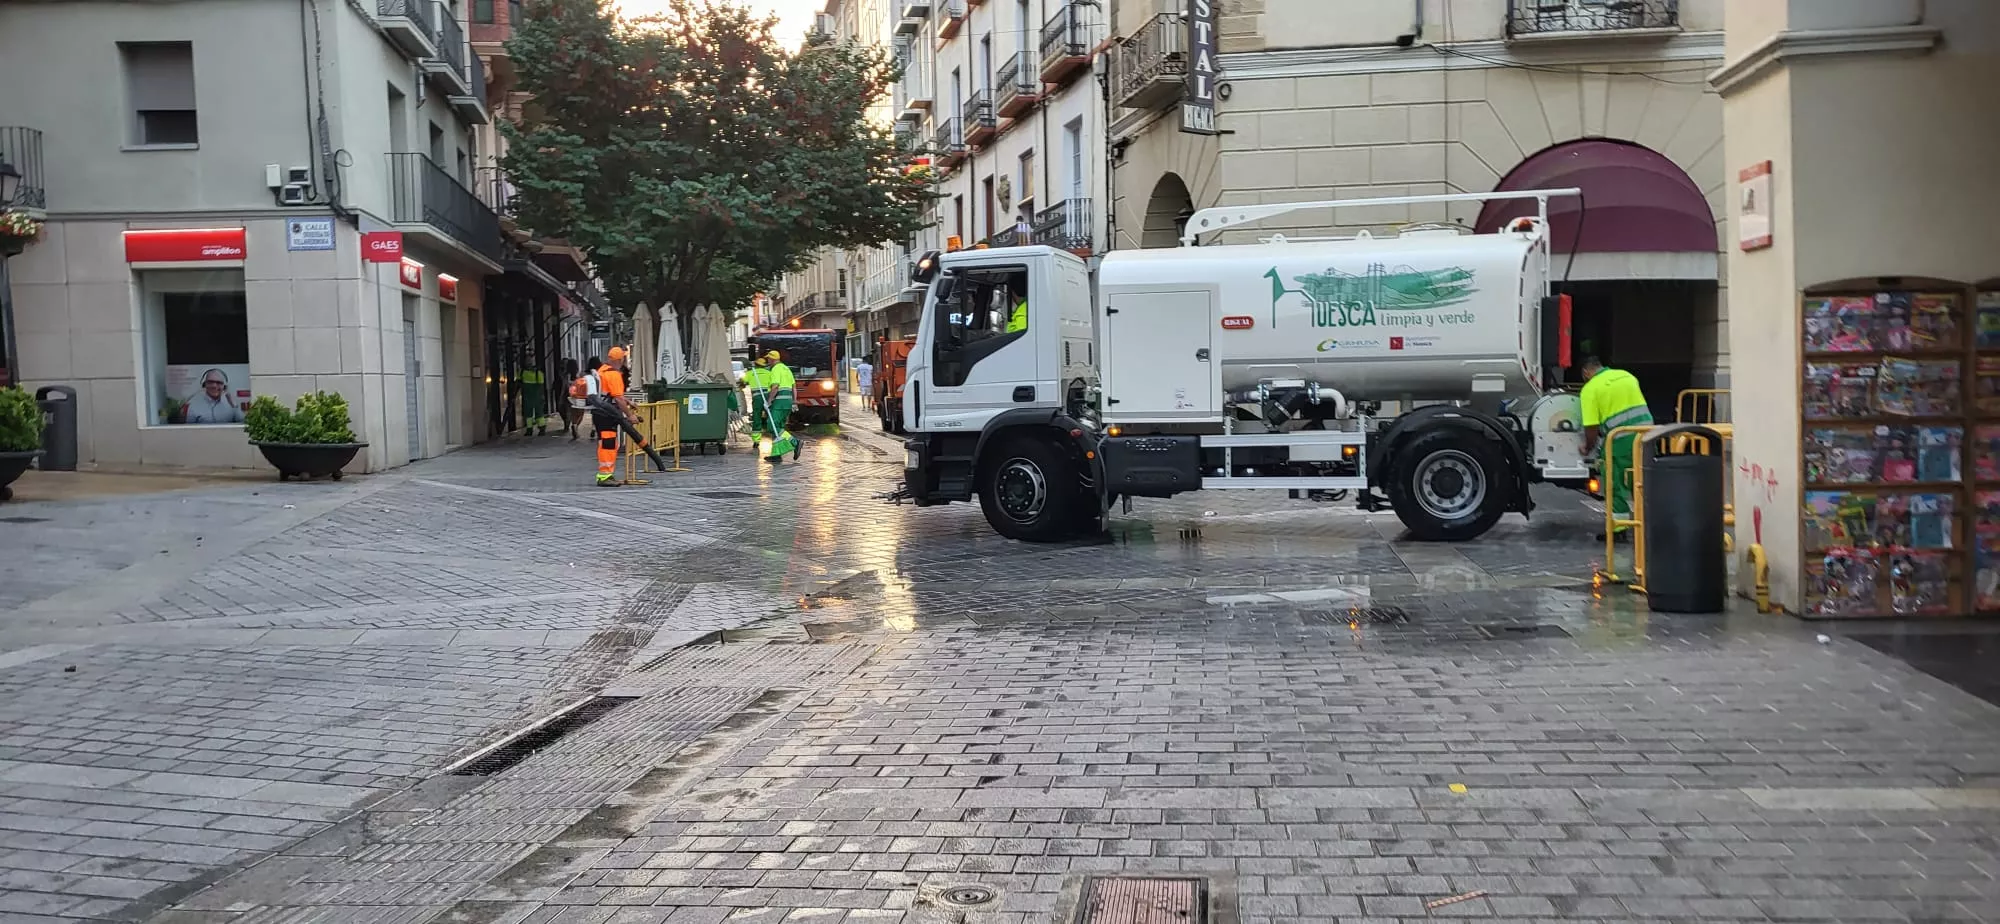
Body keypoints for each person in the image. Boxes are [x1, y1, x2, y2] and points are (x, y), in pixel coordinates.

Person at [1578, 356, 1654, 541]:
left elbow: (1591, 428)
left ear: (1586, 372)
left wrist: (1587, 447)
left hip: (1619, 439)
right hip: (1647, 434)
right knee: (1644, 480)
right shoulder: (1626, 376)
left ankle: (1618, 530)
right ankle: (1651, 524)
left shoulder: (1590, 389)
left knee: (1615, 484)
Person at [739, 349, 797, 461]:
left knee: (766, 422)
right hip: (783, 400)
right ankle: (777, 454)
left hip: (765, 398)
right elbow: (794, 387)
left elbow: (774, 386)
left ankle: (758, 441)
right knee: (777, 424)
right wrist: (795, 402)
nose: (768, 360)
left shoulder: (756, 372)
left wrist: (769, 401)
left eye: (769, 358)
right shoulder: (781, 370)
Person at [591, 347, 632, 486]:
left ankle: (606, 475)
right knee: (608, 445)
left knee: (606, 443)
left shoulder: (602, 370)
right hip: (607, 414)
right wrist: (630, 415)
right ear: (620, 360)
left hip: (599, 412)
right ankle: (605, 476)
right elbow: (618, 399)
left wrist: (628, 401)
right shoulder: (614, 375)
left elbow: (607, 393)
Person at [566, 357, 595, 441]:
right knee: (581, 414)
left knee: (573, 414)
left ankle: (574, 426)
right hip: (582, 397)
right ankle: (591, 427)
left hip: (571, 397)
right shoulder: (580, 376)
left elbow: (566, 386)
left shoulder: (566, 376)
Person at [520, 355, 548, 436]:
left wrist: (542, 395)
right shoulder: (523, 372)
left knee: (538, 412)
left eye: (529, 361)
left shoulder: (537, 373)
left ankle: (541, 428)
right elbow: (518, 382)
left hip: (535, 395)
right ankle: (530, 429)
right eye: (527, 361)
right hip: (528, 395)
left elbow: (541, 385)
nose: (528, 362)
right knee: (528, 413)